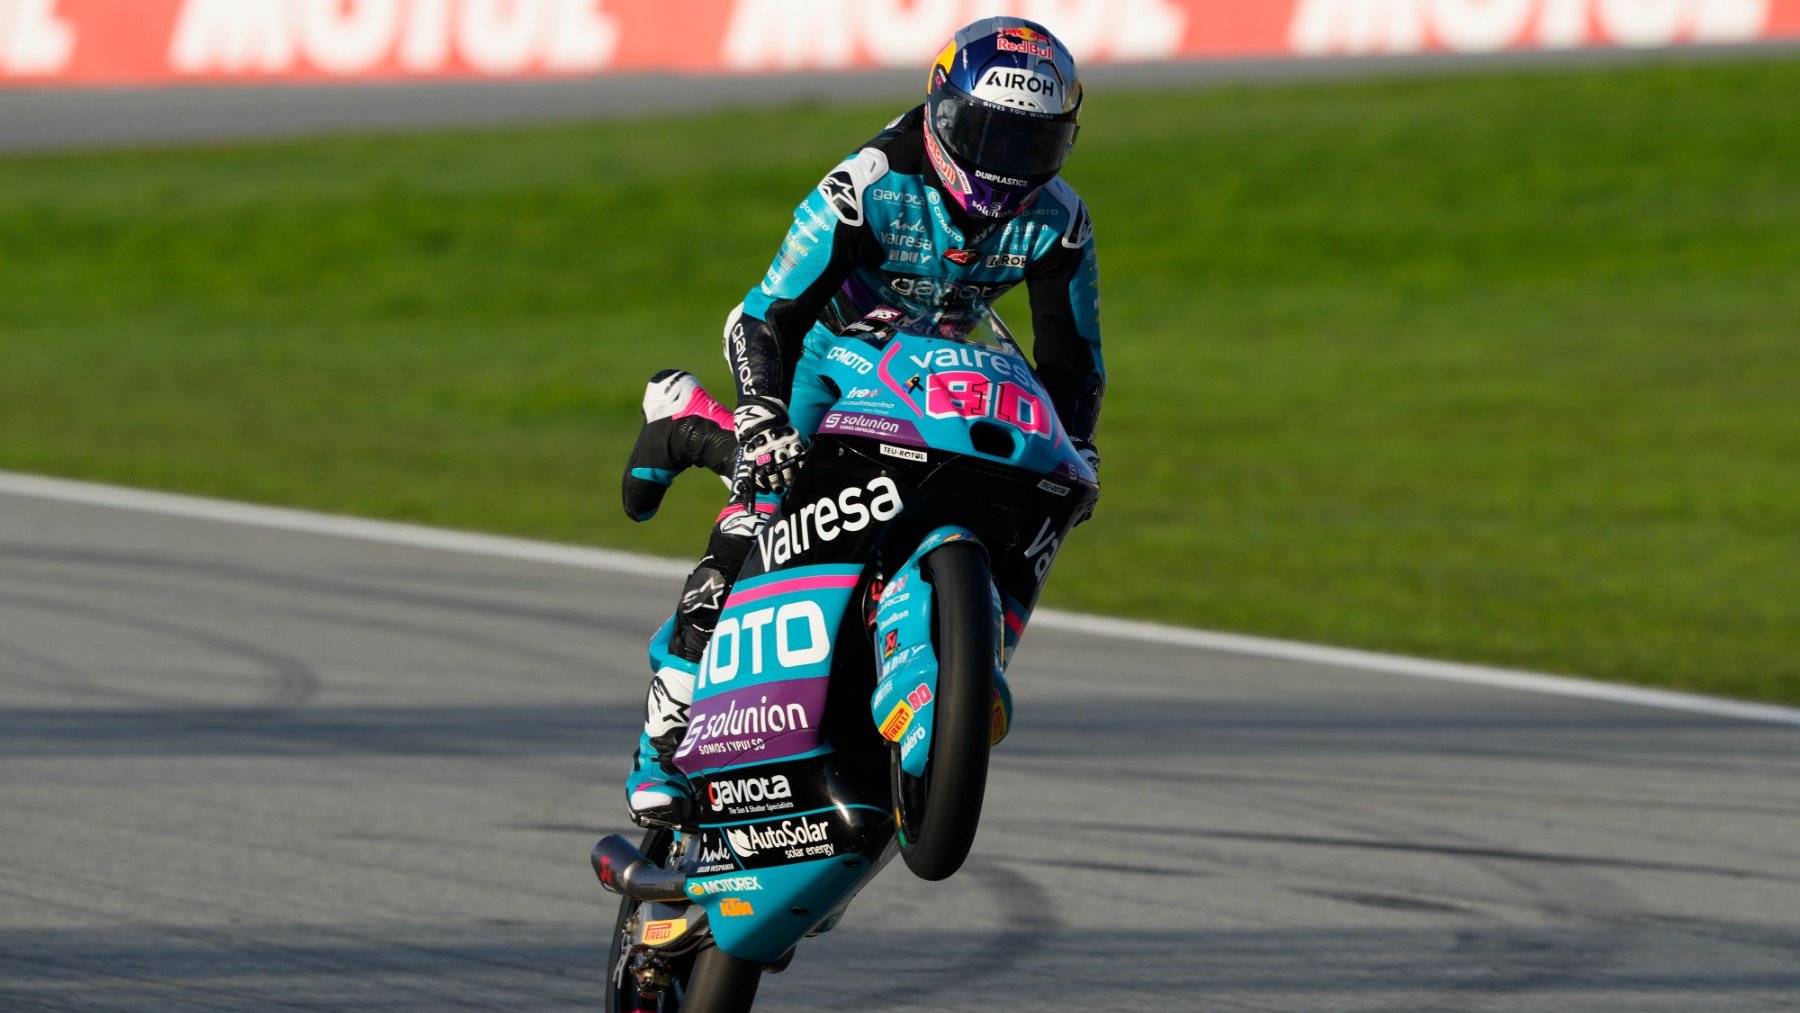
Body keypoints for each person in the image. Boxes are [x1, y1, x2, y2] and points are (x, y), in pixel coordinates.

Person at [619, 16, 1105, 828]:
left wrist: (1078, 446)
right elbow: (761, 316)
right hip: (826, 359)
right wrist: (766, 417)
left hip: (942, 369)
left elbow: (1073, 358)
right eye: (984, 133)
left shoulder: (1060, 219)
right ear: (939, 112)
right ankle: (660, 740)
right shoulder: (870, 181)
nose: (1001, 163)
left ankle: (943, 662)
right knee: (754, 520)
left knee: (1029, 487)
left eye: (1030, 145)